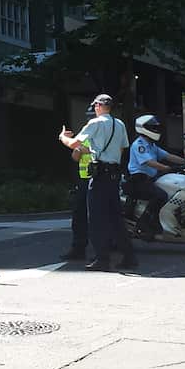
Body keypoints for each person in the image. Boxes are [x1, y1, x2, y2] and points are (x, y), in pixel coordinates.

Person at [58, 94, 135, 271]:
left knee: (97, 219)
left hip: (100, 176)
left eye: (95, 106)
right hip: (114, 175)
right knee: (115, 218)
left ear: (99, 106)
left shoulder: (95, 123)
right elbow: (123, 147)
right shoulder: (119, 124)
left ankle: (102, 259)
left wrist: (62, 137)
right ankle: (129, 257)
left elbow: (74, 144)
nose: (94, 109)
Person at [126, 114, 185, 237]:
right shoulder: (139, 145)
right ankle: (143, 223)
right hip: (138, 180)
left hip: (149, 180)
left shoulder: (151, 145)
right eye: (153, 128)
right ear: (144, 128)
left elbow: (168, 156)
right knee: (161, 195)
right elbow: (149, 162)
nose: (156, 130)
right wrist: (166, 168)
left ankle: (157, 221)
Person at [60, 104, 98, 261]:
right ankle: (78, 248)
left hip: (100, 178)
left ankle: (105, 249)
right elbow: (75, 157)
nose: (90, 120)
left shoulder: (102, 131)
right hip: (84, 179)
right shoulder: (85, 132)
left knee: (100, 215)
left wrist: (86, 150)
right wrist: (78, 149)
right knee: (79, 214)